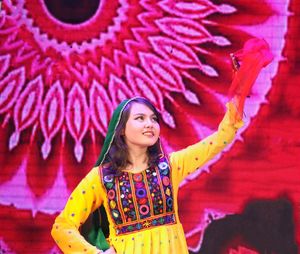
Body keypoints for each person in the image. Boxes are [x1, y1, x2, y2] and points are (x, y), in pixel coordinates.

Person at [51, 38, 273, 254]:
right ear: (121, 129)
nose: (150, 124)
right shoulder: (101, 178)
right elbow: (62, 227)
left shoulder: (170, 166)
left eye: (154, 119)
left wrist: (240, 91)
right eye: (140, 119)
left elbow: (221, 138)